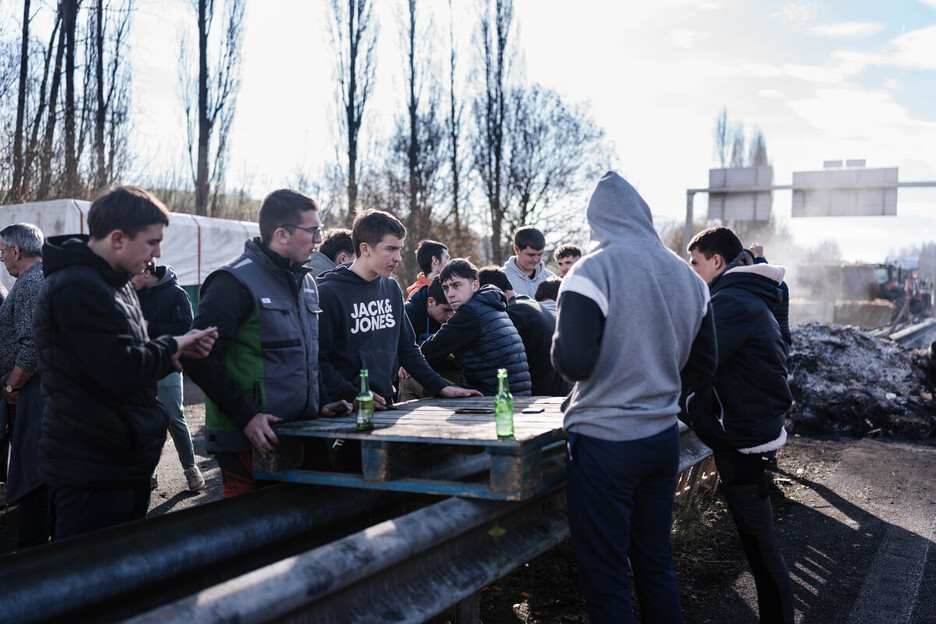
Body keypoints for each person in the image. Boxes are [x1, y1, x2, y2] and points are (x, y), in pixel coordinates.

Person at [551, 172, 714, 624]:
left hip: (605, 442)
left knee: (605, 575)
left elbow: (572, 362)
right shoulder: (689, 278)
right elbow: (705, 364)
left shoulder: (590, 271)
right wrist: (656, 385)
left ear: (595, 221)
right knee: (655, 561)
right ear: (643, 215)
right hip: (662, 438)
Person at [34, 186, 217, 540]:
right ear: (117, 238)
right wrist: (172, 345)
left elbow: (123, 359)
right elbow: (118, 368)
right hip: (92, 469)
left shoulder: (115, 285)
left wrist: (173, 355)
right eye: (151, 242)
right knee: (91, 580)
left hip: (120, 462)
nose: (157, 253)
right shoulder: (76, 287)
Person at [183, 189, 351, 498]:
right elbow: (198, 357)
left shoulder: (307, 281)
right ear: (282, 234)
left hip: (302, 432)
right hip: (250, 442)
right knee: (256, 536)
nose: (319, 239)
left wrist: (321, 401)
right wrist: (246, 415)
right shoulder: (233, 283)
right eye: (313, 230)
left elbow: (306, 355)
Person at [686, 225, 795, 624]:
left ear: (717, 262)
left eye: (694, 262)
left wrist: (693, 406)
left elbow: (697, 364)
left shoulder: (730, 302)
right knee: (760, 546)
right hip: (755, 428)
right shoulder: (745, 296)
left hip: (744, 435)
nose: (690, 270)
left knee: (762, 551)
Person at [317, 210, 478, 409]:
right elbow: (319, 361)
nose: (398, 258)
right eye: (391, 249)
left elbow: (408, 349)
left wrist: (440, 387)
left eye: (400, 249)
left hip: (386, 405)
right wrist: (353, 395)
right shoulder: (328, 293)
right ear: (365, 248)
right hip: (345, 410)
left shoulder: (391, 287)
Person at [131, 261, 205, 492]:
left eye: (132, 274)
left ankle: (190, 468)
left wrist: (148, 326)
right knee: (142, 421)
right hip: (139, 366)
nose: (128, 280)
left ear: (146, 271)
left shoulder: (176, 294)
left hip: (167, 367)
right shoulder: (131, 294)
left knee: (174, 417)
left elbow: (185, 330)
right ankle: (149, 472)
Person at [0, 223, 50, 548]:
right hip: (31, 393)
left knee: (34, 472)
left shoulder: (31, 284)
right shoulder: (34, 279)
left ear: (16, 251)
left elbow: (31, 346)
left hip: (30, 395)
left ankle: (33, 549)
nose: (2, 259)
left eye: (3, 252)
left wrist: (11, 386)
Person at [421, 259, 532, 396]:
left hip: (490, 397)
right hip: (517, 393)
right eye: (446, 288)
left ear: (475, 285)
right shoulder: (490, 304)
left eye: (456, 286)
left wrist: (410, 363)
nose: (450, 294)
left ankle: (401, 416)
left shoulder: (469, 312)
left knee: (411, 377)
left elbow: (428, 351)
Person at [477, 266, 570, 396]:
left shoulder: (513, 314)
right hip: (559, 386)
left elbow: (506, 361)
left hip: (543, 394)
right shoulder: (528, 302)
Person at [398, 277, 460, 401]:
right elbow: (403, 354)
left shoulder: (456, 317)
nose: (451, 315)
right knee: (406, 376)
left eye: (453, 310)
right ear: (431, 302)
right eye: (446, 310)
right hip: (415, 372)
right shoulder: (409, 313)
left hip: (442, 369)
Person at [750, 243, 792, 347]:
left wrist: (758, 258)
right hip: (780, 342)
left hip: (775, 343)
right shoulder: (780, 285)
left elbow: (763, 278)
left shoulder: (776, 285)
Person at [502, 226, 555, 298]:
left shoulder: (551, 278)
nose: (536, 259)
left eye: (540, 254)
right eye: (531, 255)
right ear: (517, 250)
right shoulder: (501, 278)